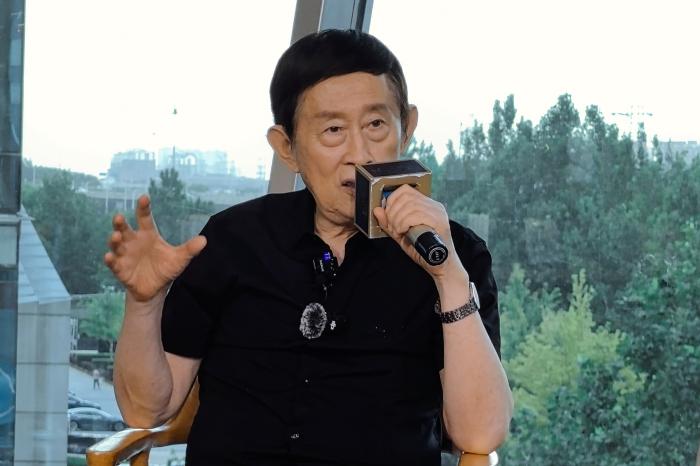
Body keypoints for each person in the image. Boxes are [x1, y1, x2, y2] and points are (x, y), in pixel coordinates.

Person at [106, 29, 513, 466]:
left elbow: (479, 434)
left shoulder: (454, 252)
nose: (361, 153)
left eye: (376, 125)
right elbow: (146, 410)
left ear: (407, 127)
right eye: (333, 130)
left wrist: (448, 278)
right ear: (288, 149)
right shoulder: (233, 241)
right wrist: (144, 304)